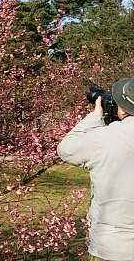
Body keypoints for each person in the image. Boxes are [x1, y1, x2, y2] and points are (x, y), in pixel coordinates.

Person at [58, 77, 134, 260]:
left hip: (112, 247)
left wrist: (95, 116)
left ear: (123, 109)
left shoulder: (102, 138)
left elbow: (66, 149)